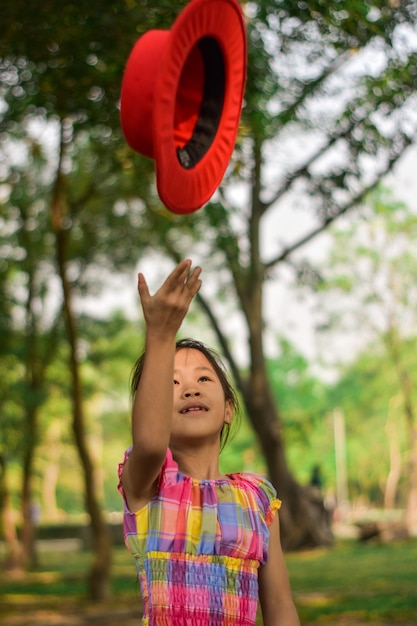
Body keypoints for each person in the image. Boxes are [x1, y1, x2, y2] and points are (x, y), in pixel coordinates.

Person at [118, 259, 300, 626]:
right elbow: (151, 444)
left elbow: (280, 605)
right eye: (171, 383)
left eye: (204, 379)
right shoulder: (148, 485)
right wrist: (160, 335)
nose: (189, 388)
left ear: (229, 409)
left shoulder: (258, 498)